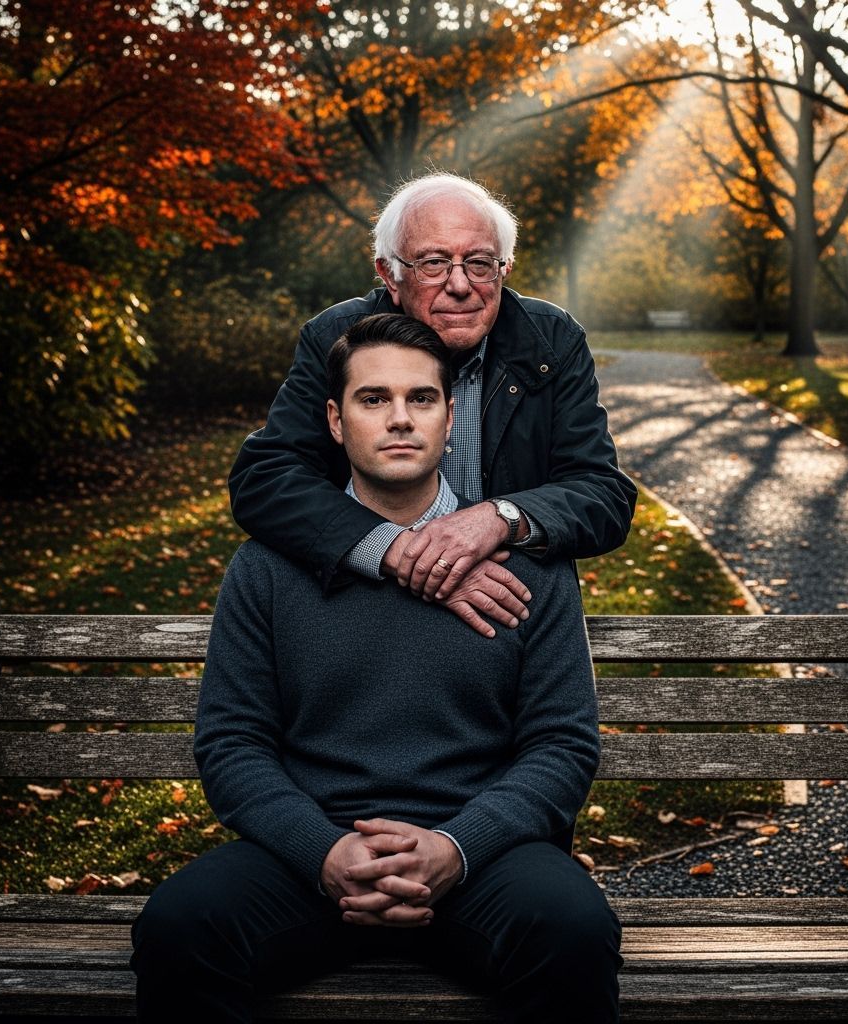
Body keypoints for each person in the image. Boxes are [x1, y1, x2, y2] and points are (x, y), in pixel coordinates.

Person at [131, 314, 622, 1023]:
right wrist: (324, 852)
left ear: (451, 417)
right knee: (180, 927)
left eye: (421, 399)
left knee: (573, 929)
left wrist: (456, 847)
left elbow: (563, 747)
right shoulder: (268, 567)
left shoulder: (531, 568)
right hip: (311, 857)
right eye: (373, 400)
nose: (399, 419)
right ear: (334, 421)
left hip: (482, 860)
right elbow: (231, 744)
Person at [228, 172, 636, 637]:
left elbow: (603, 494)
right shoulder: (338, 339)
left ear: (504, 269)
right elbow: (264, 478)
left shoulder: (551, 341)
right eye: (434, 263)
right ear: (390, 275)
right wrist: (401, 553)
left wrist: (498, 518)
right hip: (359, 609)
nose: (460, 285)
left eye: (480, 263)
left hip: (505, 615)